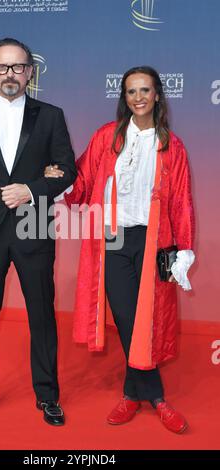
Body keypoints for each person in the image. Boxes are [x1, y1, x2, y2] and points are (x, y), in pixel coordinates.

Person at [45, 66, 195, 433]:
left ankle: (134, 395)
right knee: (129, 320)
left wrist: (185, 249)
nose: (138, 97)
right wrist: (59, 180)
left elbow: (182, 203)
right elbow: (81, 179)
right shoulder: (106, 138)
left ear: (158, 95)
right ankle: (155, 397)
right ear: (124, 97)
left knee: (148, 320)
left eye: (145, 90)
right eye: (131, 91)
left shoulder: (171, 146)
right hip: (111, 238)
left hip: (153, 241)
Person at [0, 38, 77, 427]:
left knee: (41, 315)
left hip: (34, 227)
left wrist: (31, 189)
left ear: (30, 72)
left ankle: (47, 396)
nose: (10, 74)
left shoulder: (51, 116)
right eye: (3, 67)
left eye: (18, 67)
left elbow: (67, 171)